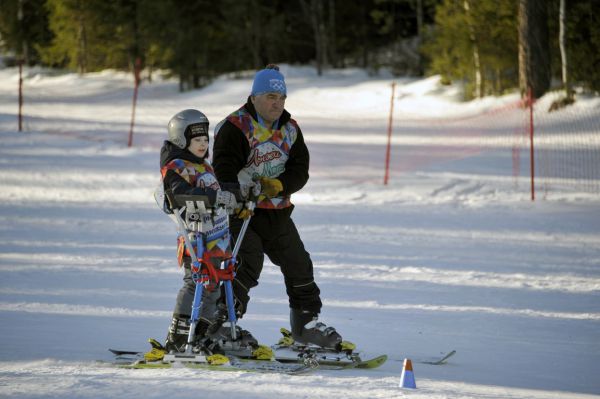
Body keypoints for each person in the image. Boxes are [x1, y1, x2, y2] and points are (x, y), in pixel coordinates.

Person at [211, 65, 346, 350]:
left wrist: (279, 185)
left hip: (277, 212)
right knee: (246, 264)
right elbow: (223, 169)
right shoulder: (235, 127)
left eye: (282, 97)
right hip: (242, 212)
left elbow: (301, 170)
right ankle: (222, 323)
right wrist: (239, 193)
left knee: (299, 264)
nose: (277, 103)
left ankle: (305, 325)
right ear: (255, 96)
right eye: (271, 96)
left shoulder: (290, 129)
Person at [145, 109, 242, 361]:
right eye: (197, 140)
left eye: (205, 140)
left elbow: (215, 189)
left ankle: (201, 334)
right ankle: (178, 337)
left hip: (217, 237)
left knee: (213, 287)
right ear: (181, 141)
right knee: (195, 282)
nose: (203, 144)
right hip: (195, 238)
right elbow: (180, 194)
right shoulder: (175, 167)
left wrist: (240, 191)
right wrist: (215, 197)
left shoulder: (203, 165)